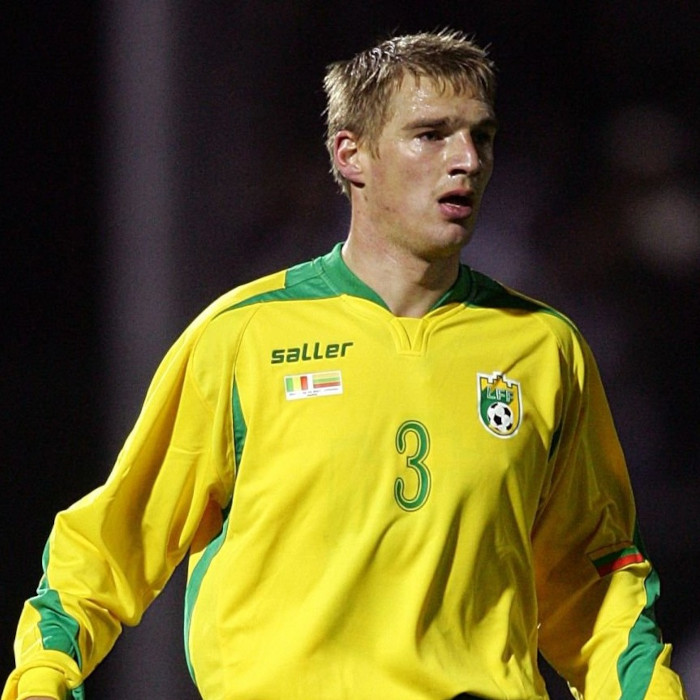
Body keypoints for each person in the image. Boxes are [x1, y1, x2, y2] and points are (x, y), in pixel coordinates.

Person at [3, 29, 688, 700]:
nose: (467, 160)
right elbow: (108, 549)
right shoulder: (244, 336)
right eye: (431, 135)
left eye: (480, 136)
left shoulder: (544, 349)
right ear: (351, 154)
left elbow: (597, 587)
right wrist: (41, 679)